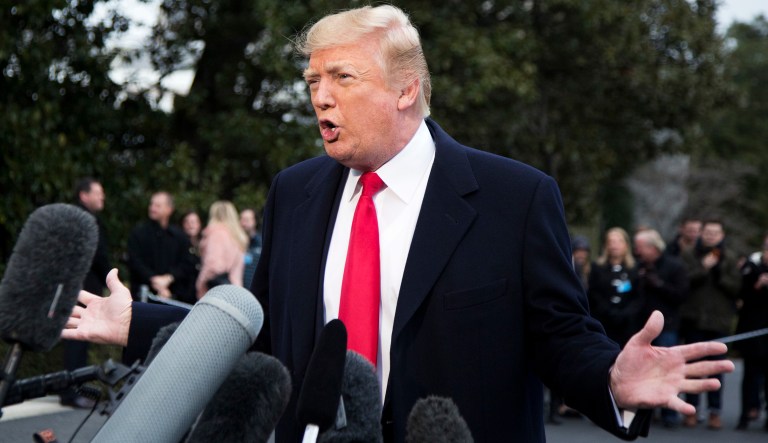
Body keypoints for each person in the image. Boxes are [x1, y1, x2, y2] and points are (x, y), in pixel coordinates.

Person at [63, 6, 733, 442]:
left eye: (343, 77)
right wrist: (139, 325)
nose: (320, 95)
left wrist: (611, 380)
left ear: (405, 88)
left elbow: (558, 333)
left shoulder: (514, 197)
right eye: (312, 79)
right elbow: (257, 323)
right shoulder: (295, 192)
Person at [679, 219, 742, 429]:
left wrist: (719, 273)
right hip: (694, 319)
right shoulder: (689, 255)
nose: (711, 236)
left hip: (719, 322)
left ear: (722, 236)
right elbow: (683, 281)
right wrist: (703, 269)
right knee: (693, 368)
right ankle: (691, 410)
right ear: (701, 234)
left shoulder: (730, 258)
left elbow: (736, 288)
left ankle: (715, 411)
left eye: (715, 233)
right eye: (707, 233)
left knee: (717, 368)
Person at [59, 177, 112, 409]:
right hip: (82, 289)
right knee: (77, 341)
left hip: (73, 287)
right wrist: (111, 279)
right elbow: (98, 256)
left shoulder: (71, 218)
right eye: (98, 192)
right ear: (84, 195)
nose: (103, 197)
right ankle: (72, 392)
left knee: (75, 339)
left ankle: (71, 390)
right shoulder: (86, 221)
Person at [633, 228, 689, 427]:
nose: (636, 251)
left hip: (668, 326)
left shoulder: (674, 266)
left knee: (666, 368)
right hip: (641, 325)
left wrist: (658, 284)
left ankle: (669, 413)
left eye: (639, 247)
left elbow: (681, 295)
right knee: (642, 368)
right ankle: (644, 411)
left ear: (652, 247)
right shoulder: (638, 266)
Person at [126, 191, 195, 300]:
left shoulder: (179, 237)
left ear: (169, 209)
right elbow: (134, 261)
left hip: (173, 296)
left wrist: (169, 278)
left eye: (157, 205)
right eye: (151, 204)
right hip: (143, 295)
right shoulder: (138, 234)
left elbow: (187, 264)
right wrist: (154, 280)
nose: (152, 208)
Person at [734, 234, 768, 431]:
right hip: (752, 328)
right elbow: (739, 294)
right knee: (750, 375)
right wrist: (756, 283)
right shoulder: (750, 264)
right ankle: (745, 413)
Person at [588, 227, 641, 348]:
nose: (614, 245)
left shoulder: (634, 269)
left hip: (627, 325)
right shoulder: (597, 267)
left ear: (626, 245)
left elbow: (638, 296)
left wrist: (625, 313)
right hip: (603, 322)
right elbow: (594, 293)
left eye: (618, 241)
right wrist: (608, 311)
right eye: (611, 242)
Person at [195, 201, 248, 299]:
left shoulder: (216, 233)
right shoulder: (237, 236)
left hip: (216, 294)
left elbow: (213, 265)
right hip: (235, 290)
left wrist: (200, 283)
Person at [176, 210, 203, 304]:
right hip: (182, 293)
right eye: (187, 222)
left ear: (199, 224)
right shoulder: (178, 244)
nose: (190, 225)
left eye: (194, 222)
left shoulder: (205, 245)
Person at [239, 208, 263, 289]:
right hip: (239, 288)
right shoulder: (235, 242)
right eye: (241, 219)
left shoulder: (262, 242)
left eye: (246, 220)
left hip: (256, 289)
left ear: (255, 221)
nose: (243, 223)